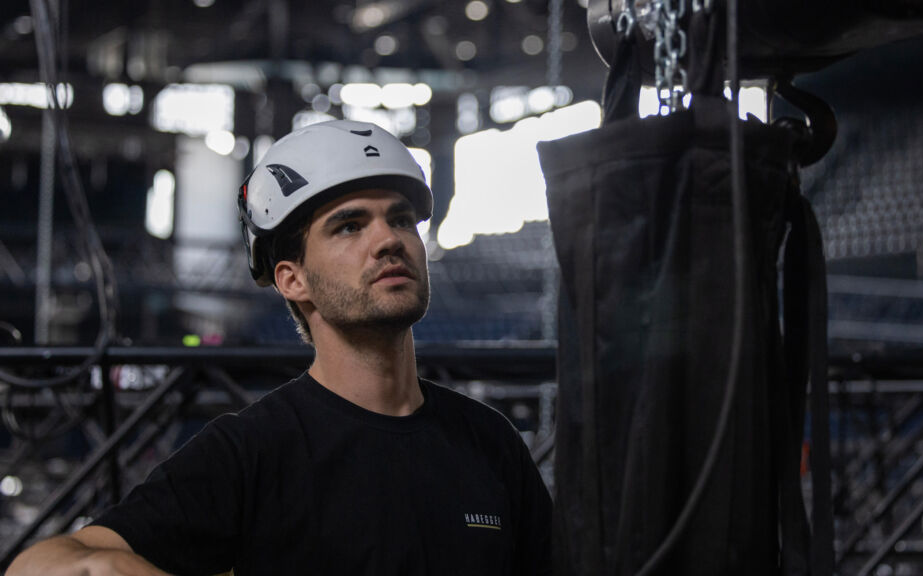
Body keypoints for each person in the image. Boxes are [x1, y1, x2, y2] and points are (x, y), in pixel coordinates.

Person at [7, 120, 553, 576]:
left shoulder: (489, 441)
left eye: (401, 218)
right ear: (293, 280)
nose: (389, 239)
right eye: (349, 226)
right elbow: (47, 565)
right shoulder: (252, 452)